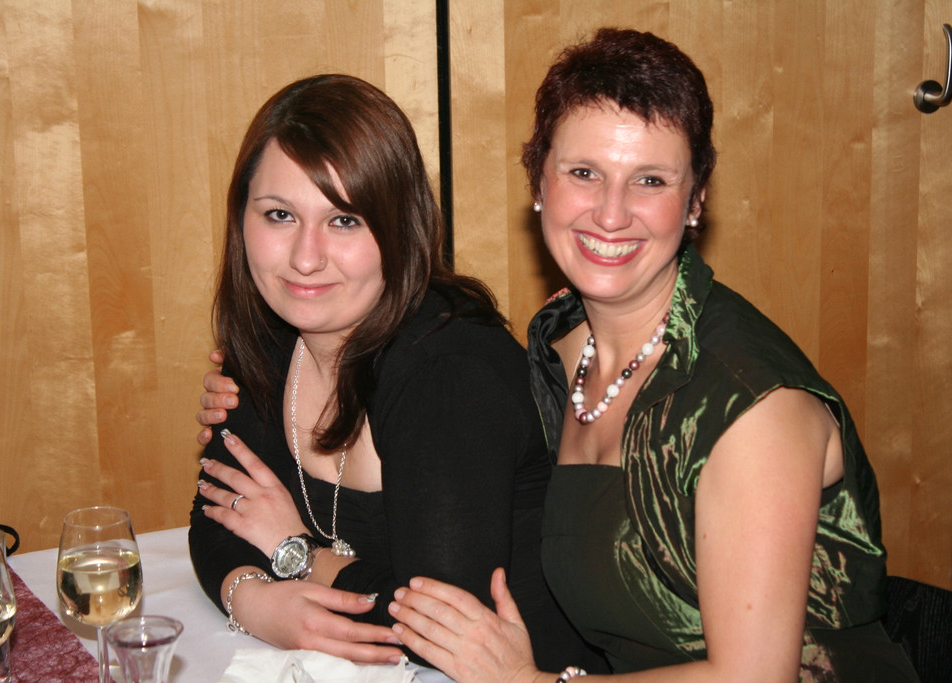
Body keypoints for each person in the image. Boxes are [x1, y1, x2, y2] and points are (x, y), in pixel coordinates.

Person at [386, 29, 921, 682]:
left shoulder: (750, 407)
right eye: (584, 173)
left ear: (695, 201)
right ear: (538, 180)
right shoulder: (561, 344)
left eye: (650, 180)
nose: (611, 214)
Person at [188, 73, 596, 671]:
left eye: (344, 221)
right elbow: (216, 520)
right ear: (241, 220)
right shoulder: (270, 333)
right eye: (279, 215)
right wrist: (250, 600)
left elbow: (439, 624)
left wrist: (295, 552)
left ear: (400, 227)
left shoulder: (449, 373)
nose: (305, 258)